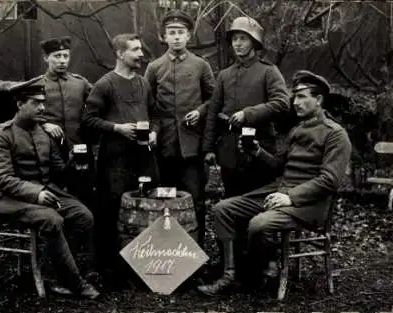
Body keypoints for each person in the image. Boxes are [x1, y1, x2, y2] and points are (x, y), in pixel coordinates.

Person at [197, 70, 352, 296]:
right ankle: (230, 275)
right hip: (280, 192)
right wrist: (257, 151)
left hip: (309, 204)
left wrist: (291, 197)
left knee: (259, 224)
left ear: (318, 100)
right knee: (223, 209)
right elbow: (279, 166)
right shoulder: (297, 130)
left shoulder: (335, 135)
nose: (295, 102)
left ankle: (258, 274)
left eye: (302, 97)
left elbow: (330, 180)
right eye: (294, 97)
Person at [0, 79, 100, 299]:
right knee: (52, 219)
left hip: (46, 192)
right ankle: (75, 283)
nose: (42, 108)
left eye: (43, 103)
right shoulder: (1, 135)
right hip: (12, 199)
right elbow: (3, 179)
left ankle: (57, 274)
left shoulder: (43, 133)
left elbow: (58, 172)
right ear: (20, 104)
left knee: (83, 216)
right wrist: (36, 194)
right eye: (35, 103)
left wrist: (74, 164)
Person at [82, 33, 159, 284]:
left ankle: (144, 266)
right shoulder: (104, 84)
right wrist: (117, 128)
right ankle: (111, 269)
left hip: (143, 157)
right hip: (115, 161)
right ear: (119, 54)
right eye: (135, 50)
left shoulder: (143, 83)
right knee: (113, 210)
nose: (140, 55)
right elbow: (89, 120)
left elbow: (154, 113)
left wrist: (155, 132)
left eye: (140, 50)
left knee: (145, 204)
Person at [144, 10, 215, 246]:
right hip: (164, 145)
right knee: (164, 199)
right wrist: (153, 131)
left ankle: (196, 251)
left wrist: (200, 111)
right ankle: (167, 253)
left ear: (189, 36)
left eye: (181, 33)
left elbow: (214, 100)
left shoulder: (201, 66)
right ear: (164, 36)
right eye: (171, 33)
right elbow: (149, 105)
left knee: (195, 200)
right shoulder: (154, 67)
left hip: (192, 146)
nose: (176, 37)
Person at [202, 16, 290, 198]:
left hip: (258, 151)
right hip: (229, 154)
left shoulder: (268, 71)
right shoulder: (225, 75)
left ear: (254, 42)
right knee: (230, 204)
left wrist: (248, 114)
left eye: (243, 38)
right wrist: (209, 148)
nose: (238, 44)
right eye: (235, 39)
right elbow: (213, 112)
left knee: (256, 205)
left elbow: (282, 103)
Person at [36, 36, 96, 210]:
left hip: (79, 147)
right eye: (57, 56)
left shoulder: (80, 83)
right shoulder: (38, 84)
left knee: (83, 192)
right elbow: (24, 114)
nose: (62, 61)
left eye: (65, 56)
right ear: (46, 58)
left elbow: (97, 105)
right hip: (49, 150)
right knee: (55, 193)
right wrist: (44, 124)